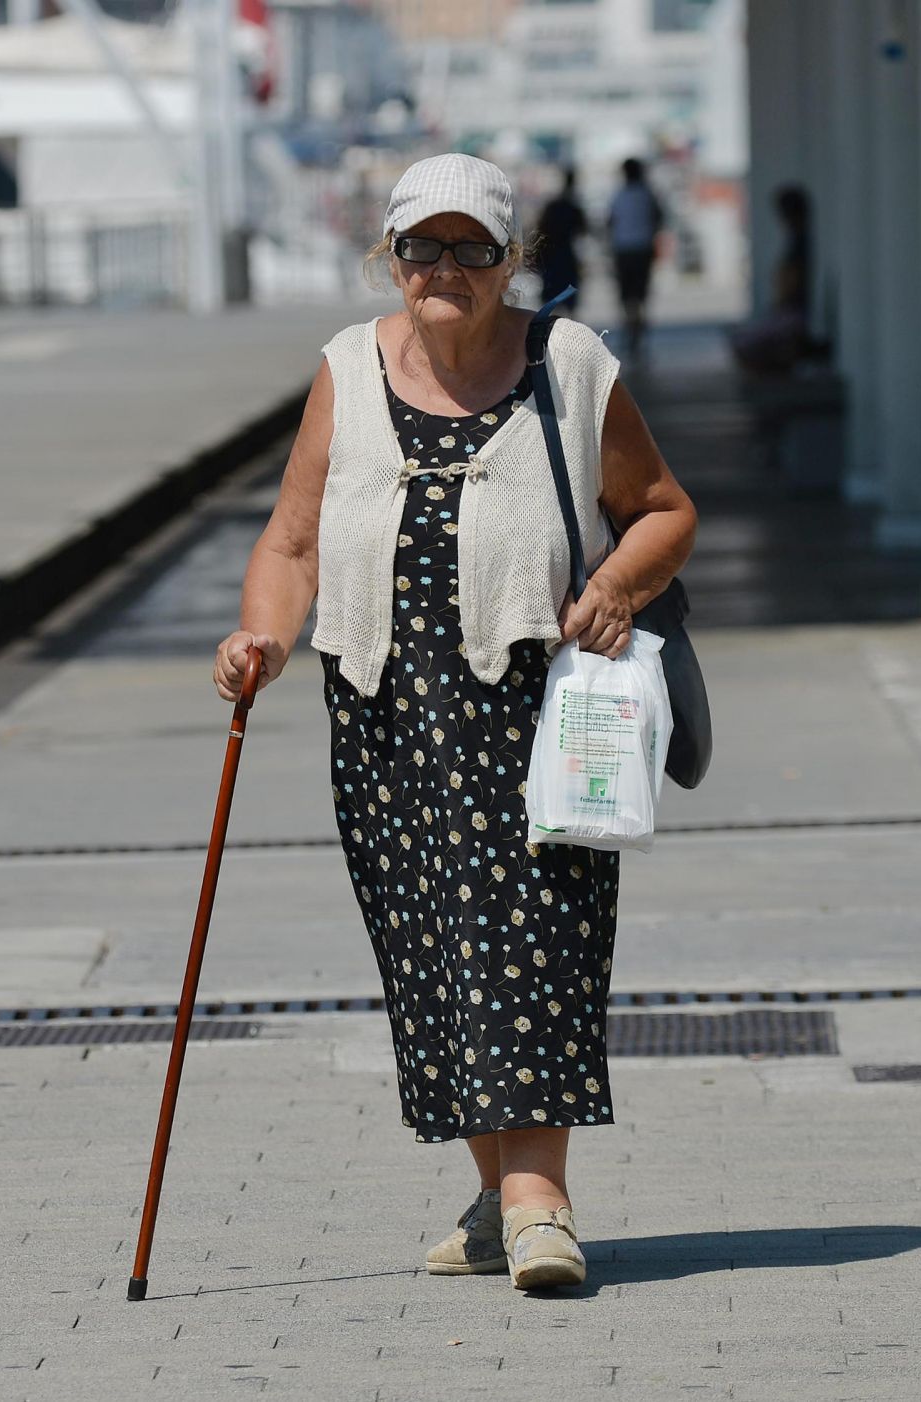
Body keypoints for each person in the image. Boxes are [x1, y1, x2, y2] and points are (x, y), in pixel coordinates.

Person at [212, 153, 696, 1291]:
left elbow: (663, 513)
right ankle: (496, 1196)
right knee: (432, 959)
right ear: (390, 257)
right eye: (422, 247)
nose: (446, 268)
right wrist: (261, 640)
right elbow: (292, 542)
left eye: (472, 248)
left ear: (510, 259)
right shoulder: (346, 369)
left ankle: (538, 1206)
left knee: (532, 951)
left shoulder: (570, 367)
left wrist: (616, 587)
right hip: (384, 722)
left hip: (535, 717)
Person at [730, 184, 818, 375]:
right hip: (790, 311)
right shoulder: (797, 239)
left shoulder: (801, 242)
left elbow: (791, 280)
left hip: (794, 312)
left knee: (747, 345)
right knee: (744, 341)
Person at [606, 157, 665, 360]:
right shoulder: (647, 195)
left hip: (623, 250)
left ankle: (630, 330)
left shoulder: (619, 195)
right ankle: (638, 333)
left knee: (626, 296)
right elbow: (659, 218)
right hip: (643, 249)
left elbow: (610, 222)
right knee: (640, 295)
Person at [533, 167, 588, 313]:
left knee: (553, 294)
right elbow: (583, 229)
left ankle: (553, 323)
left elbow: (541, 228)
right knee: (567, 293)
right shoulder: (573, 207)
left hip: (552, 255)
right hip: (566, 255)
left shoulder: (553, 206)